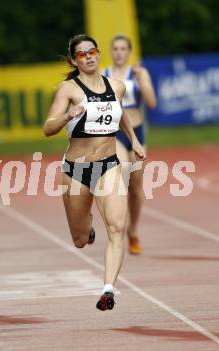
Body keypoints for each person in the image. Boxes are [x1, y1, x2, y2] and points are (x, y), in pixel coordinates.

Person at [43, 34, 146, 311]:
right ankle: (86, 228)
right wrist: (67, 116)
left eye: (92, 52)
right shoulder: (68, 90)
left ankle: (108, 289)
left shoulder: (117, 86)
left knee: (117, 228)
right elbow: (47, 127)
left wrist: (133, 139)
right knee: (79, 240)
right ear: (74, 61)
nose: (88, 57)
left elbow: (120, 112)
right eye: (81, 54)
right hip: (76, 170)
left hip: (108, 165)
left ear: (98, 54)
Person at [103, 34, 157, 255]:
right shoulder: (103, 75)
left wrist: (143, 80)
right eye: (115, 48)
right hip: (115, 133)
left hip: (136, 132)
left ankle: (133, 230)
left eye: (123, 49)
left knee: (135, 188)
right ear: (111, 51)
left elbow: (152, 103)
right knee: (122, 169)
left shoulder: (138, 73)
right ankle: (118, 226)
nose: (119, 52)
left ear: (129, 51)